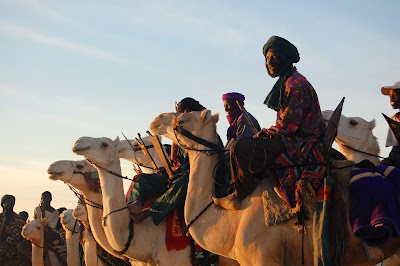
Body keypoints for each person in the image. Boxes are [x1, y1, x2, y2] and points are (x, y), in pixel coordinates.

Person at [213, 35, 326, 211]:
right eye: (266, 58)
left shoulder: (294, 84)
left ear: (285, 58)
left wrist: (264, 133)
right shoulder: (288, 81)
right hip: (293, 137)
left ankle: (239, 194)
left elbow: (289, 126)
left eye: (274, 57)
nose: (269, 62)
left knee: (241, 149)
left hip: (301, 143)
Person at [129, 97, 229, 224]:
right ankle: (136, 203)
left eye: (182, 112)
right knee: (143, 178)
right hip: (185, 174)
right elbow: (179, 162)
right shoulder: (184, 137)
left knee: (183, 182)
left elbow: (211, 161)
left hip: (210, 178)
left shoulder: (206, 132)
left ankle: (151, 212)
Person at [0, 195, 30, 265]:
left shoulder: (17, 219)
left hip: (10, 246)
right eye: (7, 202)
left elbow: (15, 237)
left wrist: (3, 244)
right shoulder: (0, 217)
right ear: (2, 204)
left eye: (11, 203)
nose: (9, 205)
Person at [381, 81, 400, 168]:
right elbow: (396, 148)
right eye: (390, 96)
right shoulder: (394, 119)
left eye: (394, 94)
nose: (391, 98)